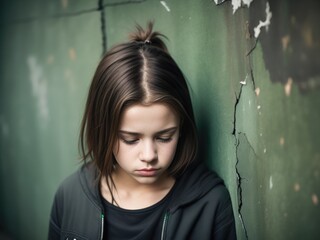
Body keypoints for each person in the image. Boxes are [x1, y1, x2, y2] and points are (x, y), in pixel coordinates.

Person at [48, 22, 236, 240]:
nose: (149, 156)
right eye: (130, 139)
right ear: (103, 129)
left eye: (165, 137)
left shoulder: (210, 202)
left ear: (182, 129)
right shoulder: (70, 196)